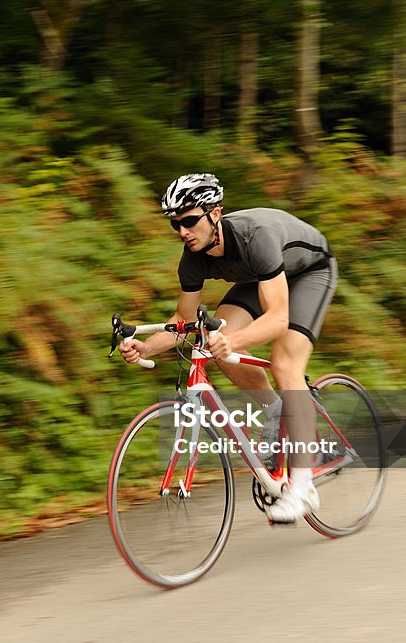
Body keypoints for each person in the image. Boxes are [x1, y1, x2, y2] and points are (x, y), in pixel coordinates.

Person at [118, 173, 337, 523]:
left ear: (215, 213)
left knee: (284, 364)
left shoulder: (254, 236)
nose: (183, 231)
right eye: (176, 224)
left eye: (190, 221)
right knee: (209, 340)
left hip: (309, 272)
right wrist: (145, 347)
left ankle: (302, 485)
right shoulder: (193, 257)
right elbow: (182, 320)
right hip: (259, 279)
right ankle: (279, 411)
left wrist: (231, 340)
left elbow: (278, 318)